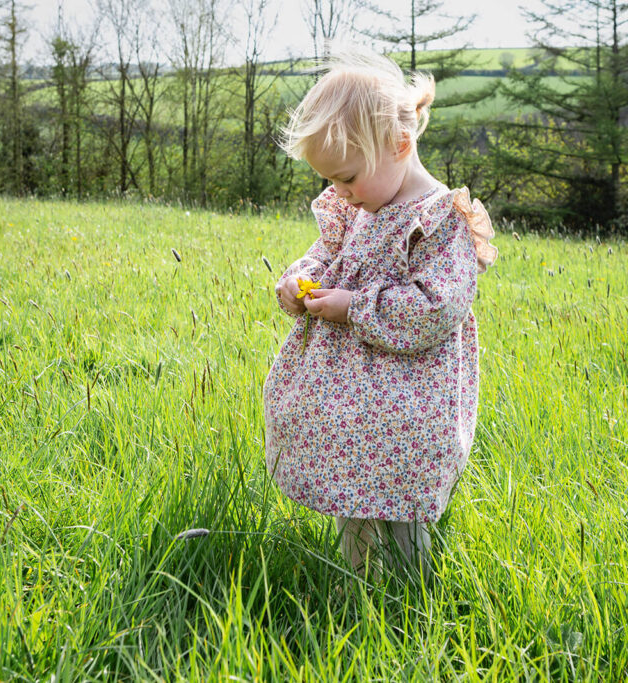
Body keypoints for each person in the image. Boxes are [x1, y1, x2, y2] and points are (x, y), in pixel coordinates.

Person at [263, 51, 497, 581]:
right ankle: (355, 580)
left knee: (401, 505)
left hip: (408, 406)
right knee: (354, 490)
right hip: (350, 404)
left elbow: (437, 307)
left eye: (346, 178)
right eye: (332, 182)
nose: (339, 193)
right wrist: (301, 281)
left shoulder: (439, 221)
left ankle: (403, 591)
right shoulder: (358, 207)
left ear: (399, 145)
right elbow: (326, 255)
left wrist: (354, 307)